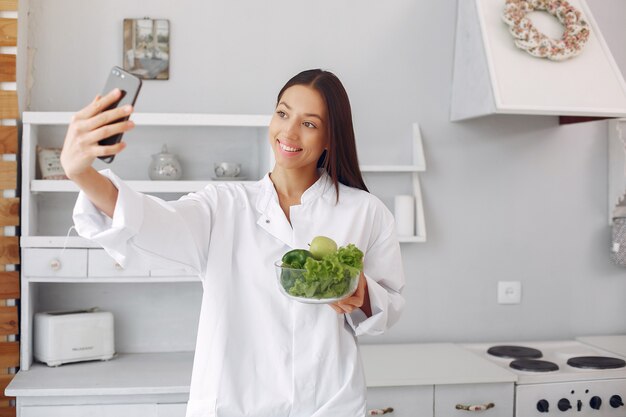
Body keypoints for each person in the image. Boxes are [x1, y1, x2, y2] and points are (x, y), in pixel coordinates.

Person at [61, 69, 405, 417]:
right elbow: (154, 221)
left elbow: (388, 305)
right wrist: (81, 173)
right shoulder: (223, 205)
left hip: (331, 404)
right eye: (283, 114)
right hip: (235, 404)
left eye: (309, 124)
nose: (288, 131)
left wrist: (362, 293)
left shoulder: (365, 211)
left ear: (331, 137)